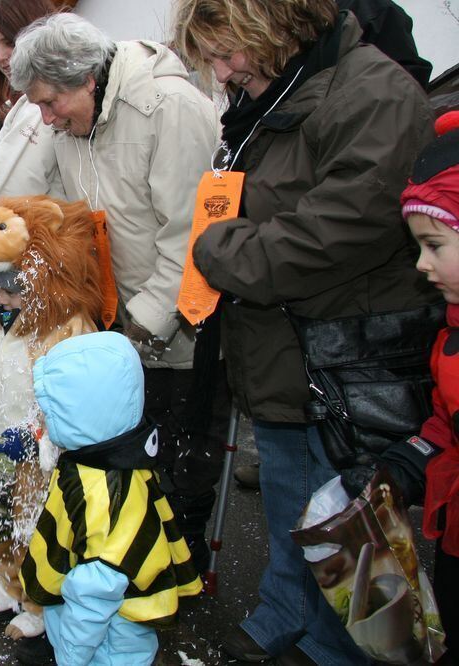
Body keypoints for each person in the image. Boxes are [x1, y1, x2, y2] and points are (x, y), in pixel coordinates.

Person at [172, 0, 439, 662]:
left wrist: (218, 250)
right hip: (289, 355)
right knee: (300, 517)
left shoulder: (373, 92)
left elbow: (340, 227)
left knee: (351, 531)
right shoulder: (278, 91)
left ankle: (357, 651)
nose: (223, 68)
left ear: (277, 25)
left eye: (229, 49)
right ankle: (298, 622)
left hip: (350, 360)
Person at [10, 13, 227, 575]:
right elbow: (68, 220)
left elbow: (193, 235)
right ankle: (129, 568)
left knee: (181, 457)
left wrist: (140, 324)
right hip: (119, 325)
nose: (46, 118)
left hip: (182, 328)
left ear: (87, 78)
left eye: (51, 101)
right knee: (126, 458)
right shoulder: (70, 127)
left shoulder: (167, 109)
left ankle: (180, 572)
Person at [0, 196, 104, 662]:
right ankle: (9, 583)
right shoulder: (2, 322)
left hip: (36, 458)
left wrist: (38, 433)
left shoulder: (67, 327)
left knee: (35, 527)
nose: (3, 302)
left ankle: (40, 602)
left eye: (14, 292)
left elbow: (75, 392)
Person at [337, 111, 459, 659]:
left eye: (435, 245)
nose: (421, 263)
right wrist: (406, 465)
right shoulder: (451, 333)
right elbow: (444, 421)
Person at [22, 332, 204, 666]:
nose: (40, 416)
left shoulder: (106, 495)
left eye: (50, 408)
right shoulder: (107, 458)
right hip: (97, 632)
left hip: (106, 647)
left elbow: (97, 590)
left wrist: (70, 653)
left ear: (83, 414)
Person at [0, 0, 66, 222]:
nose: (1, 56)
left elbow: (6, 196)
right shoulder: (23, 104)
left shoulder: (38, 109)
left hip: (32, 237)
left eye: (10, 42)